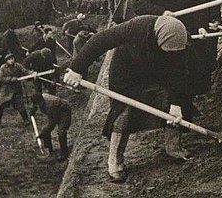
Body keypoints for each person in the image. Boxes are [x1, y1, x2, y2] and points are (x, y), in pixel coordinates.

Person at [63, 15, 191, 183]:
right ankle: (114, 162)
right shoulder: (137, 26)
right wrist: (76, 68)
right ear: (158, 36)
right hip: (127, 72)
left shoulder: (178, 41)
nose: (173, 54)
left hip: (157, 71)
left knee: (173, 103)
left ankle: (174, 148)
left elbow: (178, 73)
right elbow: (100, 40)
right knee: (123, 113)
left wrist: (175, 104)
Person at [187, 0, 222, 96]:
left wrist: (216, 21)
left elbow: (216, 6)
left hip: (209, 25)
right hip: (195, 25)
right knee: (196, 56)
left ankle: (207, 87)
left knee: (209, 55)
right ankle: (196, 87)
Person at [0, 53, 33, 129]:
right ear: (6, 61)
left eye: (12, 59)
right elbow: (1, 78)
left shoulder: (18, 65)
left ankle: (26, 120)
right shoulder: (3, 67)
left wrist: (31, 73)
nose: (11, 61)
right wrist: (11, 79)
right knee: (0, 106)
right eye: (9, 59)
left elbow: (25, 71)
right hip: (6, 89)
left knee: (20, 105)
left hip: (16, 89)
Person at [30, 93, 72, 162]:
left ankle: (64, 154)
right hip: (56, 111)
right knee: (45, 131)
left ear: (42, 100)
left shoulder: (50, 106)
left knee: (61, 132)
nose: (40, 105)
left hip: (64, 111)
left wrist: (42, 134)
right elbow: (35, 104)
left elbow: (52, 123)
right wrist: (33, 110)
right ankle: (49, 150)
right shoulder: (40, 98)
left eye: (40, 103)